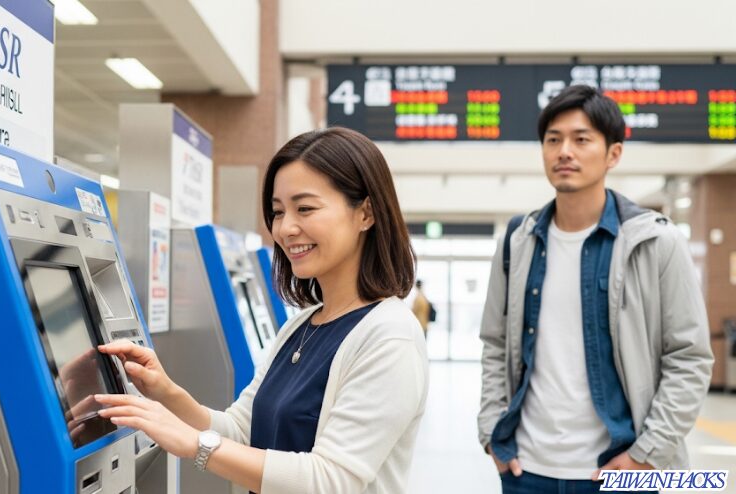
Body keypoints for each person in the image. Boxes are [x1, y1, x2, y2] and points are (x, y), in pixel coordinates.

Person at [95, 127, 429, 494]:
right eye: (277, 211)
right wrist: (164, 391)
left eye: (305, 208)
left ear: (365, 213)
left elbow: (332, 479)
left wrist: (193, 444)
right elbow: (241, 429)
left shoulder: (390, 336)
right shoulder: (302, 324)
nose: (285, 228)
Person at [477, 85, 713, 494]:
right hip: (525, 471)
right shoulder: (518, 240)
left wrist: (646, 453)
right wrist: (490, 433)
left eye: (581, 139)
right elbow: (495, 345)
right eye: (553, 140)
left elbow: (689, 357)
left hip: (621, 470)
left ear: (613, 153)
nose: (564, 151)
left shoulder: (655, 242)